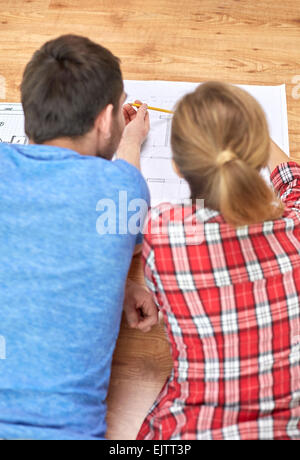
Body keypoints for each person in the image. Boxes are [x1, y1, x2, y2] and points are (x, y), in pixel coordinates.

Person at [0, 34, 158, 440]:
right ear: (106, 120)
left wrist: (112, 284)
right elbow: (117, 213)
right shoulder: (123, 188)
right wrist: (132, 140)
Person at [137, 81, 300, 440]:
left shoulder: (164, 232)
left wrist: (129, 145)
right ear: (255, 154)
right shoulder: (295, 223)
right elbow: (294, 179)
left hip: (190, 428)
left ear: (178, 168)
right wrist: (242, 131)